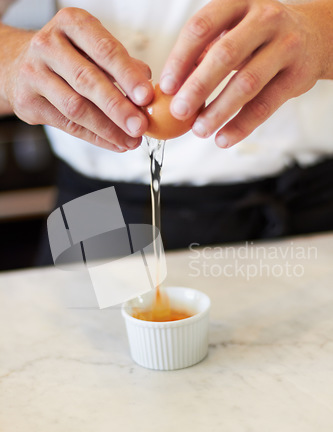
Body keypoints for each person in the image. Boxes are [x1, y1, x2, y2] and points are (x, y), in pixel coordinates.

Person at [1, 0, 333, 260]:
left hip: (312, 204)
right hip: (99, 208)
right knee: (81, 343)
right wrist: (11, 59)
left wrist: (319, 34)